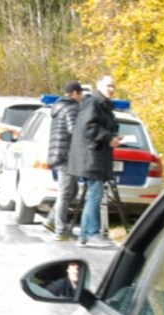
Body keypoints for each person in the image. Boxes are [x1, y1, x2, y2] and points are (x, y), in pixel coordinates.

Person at [66, 75, 121, 248]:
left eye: (113, 86)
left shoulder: (103, 104)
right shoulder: (93, 103)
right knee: (95, 195)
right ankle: (91, 233)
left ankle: (84, 235)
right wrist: (108, 138)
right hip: (91, 157)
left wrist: (114, 135)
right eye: (108, 86)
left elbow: (105, 125)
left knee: (94, 194)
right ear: (99, 86)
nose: (111, 89)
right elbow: (89, 127)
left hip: (95, 157)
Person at [42, 81, 84, 241]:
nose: (81, 98)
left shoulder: (59, 107)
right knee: (65, 193)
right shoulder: (71, 108)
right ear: (74, 93)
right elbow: (73, 130)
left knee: (71, 191)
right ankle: (60, 230)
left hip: (58, 152)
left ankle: (51, 221)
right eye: (80, 94)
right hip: (66, 154)